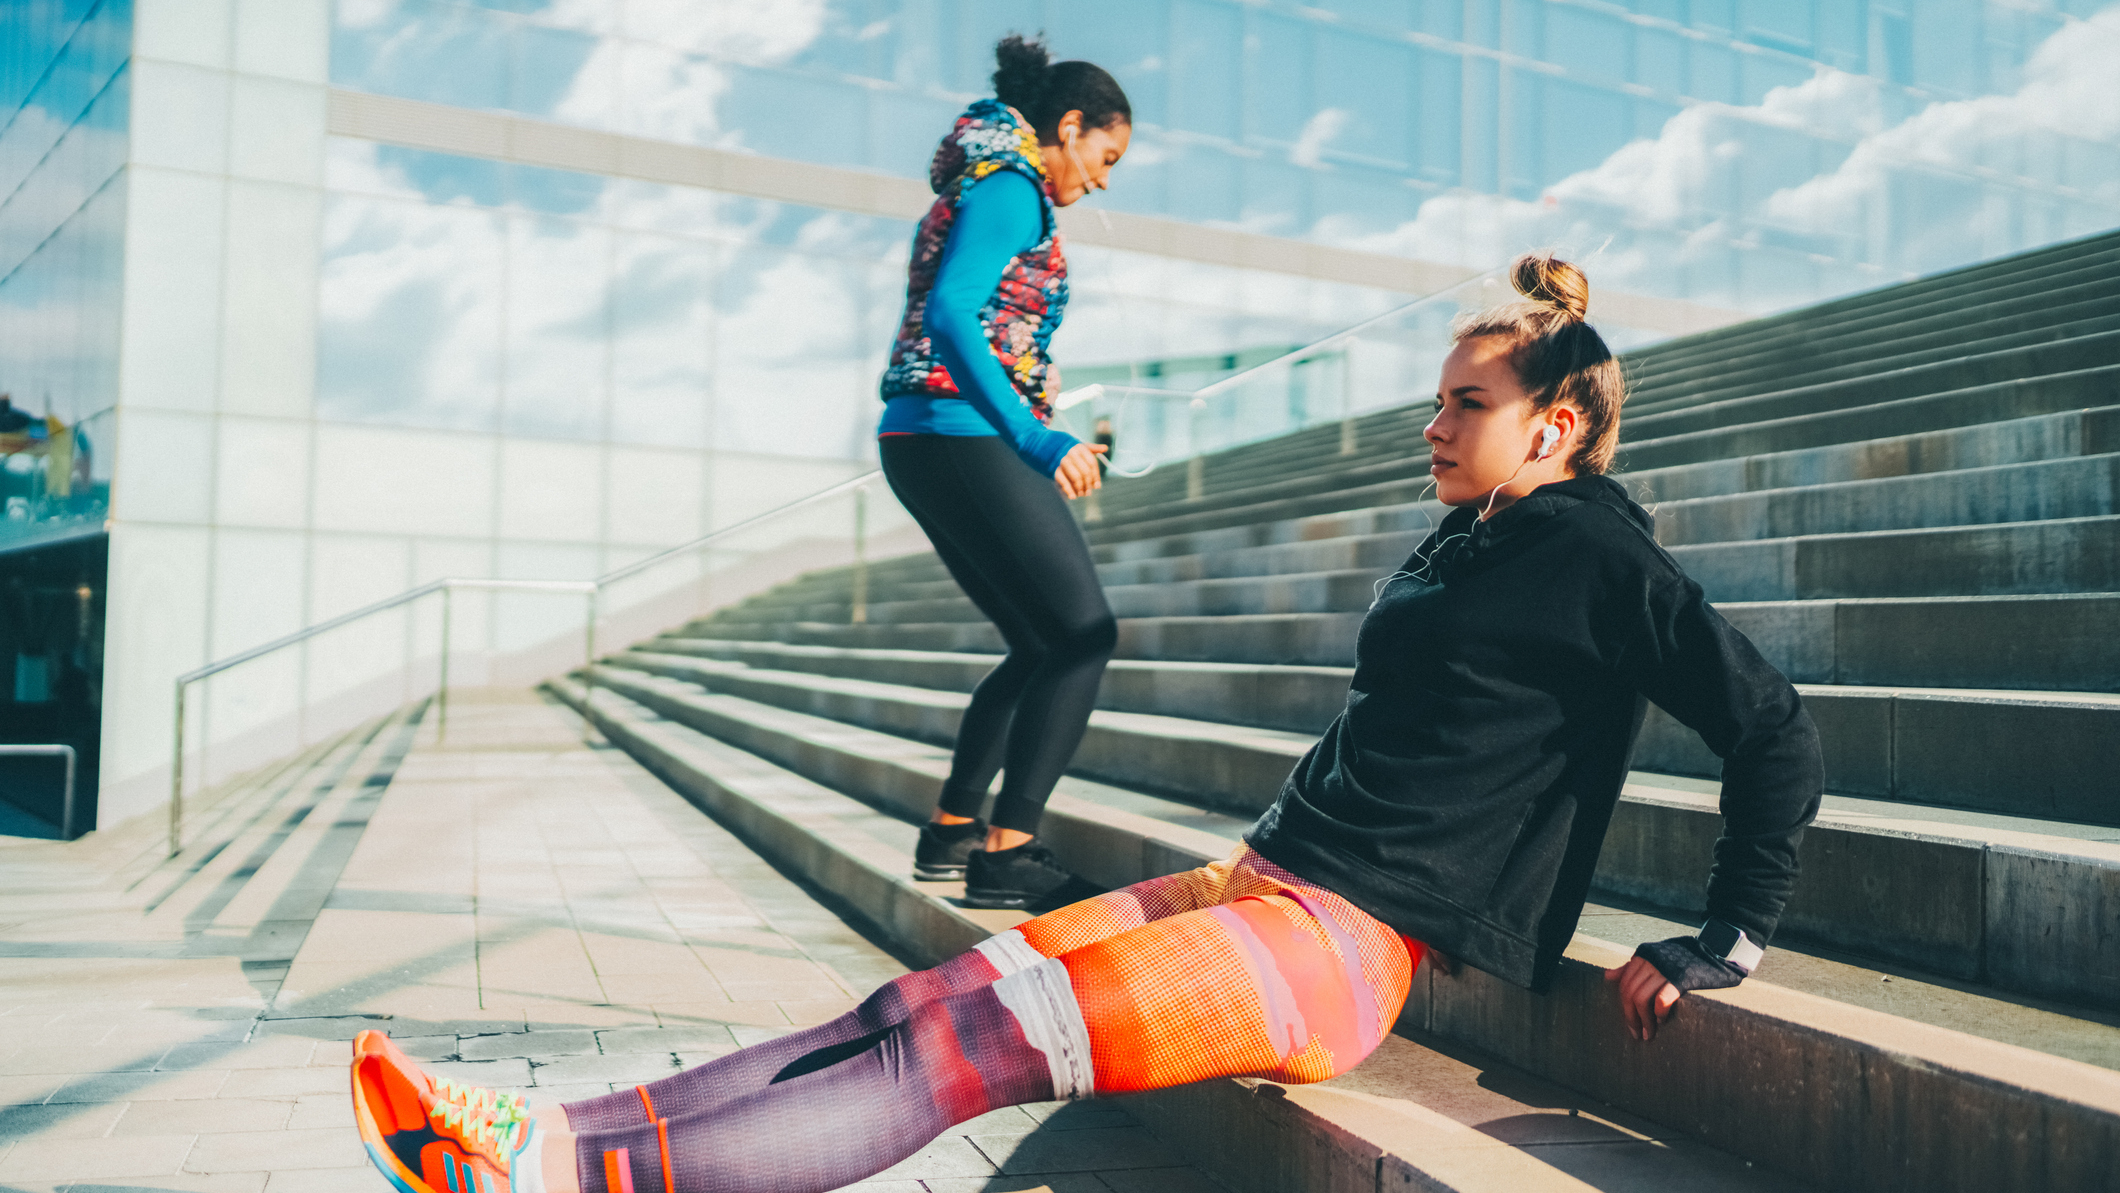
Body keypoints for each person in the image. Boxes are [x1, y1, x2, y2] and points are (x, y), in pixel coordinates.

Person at [348, 254, 1822, 1193]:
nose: (1427, 424)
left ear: (1553, 423)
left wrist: (1723, 936)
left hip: (1333, 953)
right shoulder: (1479, 535)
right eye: (1434, 399)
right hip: (1257, 881)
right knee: (909, 1006)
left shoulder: (1606, 559)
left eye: (1462, 402)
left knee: (960, 1050)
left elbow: (1772, 730)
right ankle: (560, 1128)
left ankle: (554, 1176)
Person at [870, 34, 1130, 909]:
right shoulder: (1012, 186)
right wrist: (1033, 437)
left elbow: (969, 315)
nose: (1102, 178)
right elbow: (951, 313)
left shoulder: (989, 178)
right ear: (1067, 127)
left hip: (926, 433)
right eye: (1104, 154)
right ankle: (1009, 850)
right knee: (1085, 632)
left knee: (1040, 640)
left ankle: (951, 831)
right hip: (958, 431)